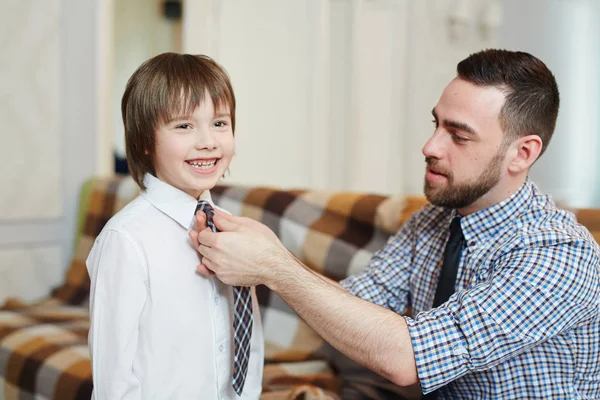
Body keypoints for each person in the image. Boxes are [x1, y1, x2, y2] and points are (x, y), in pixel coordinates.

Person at [190, 49, 600, 399]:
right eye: (436, 123)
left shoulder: (560, 255)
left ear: (522, 154)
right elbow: (355, 305)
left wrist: (276, 266)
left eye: (458, 135)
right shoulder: (433, 222)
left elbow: (409, 359)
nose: (430, 146)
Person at [87, 53, 264, 399]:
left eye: (220, 123)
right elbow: (114, 379)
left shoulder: (233, 231)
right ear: (144, 141)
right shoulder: (126, 240)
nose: (208, 141)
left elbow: (249, 338)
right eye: (184, 126)